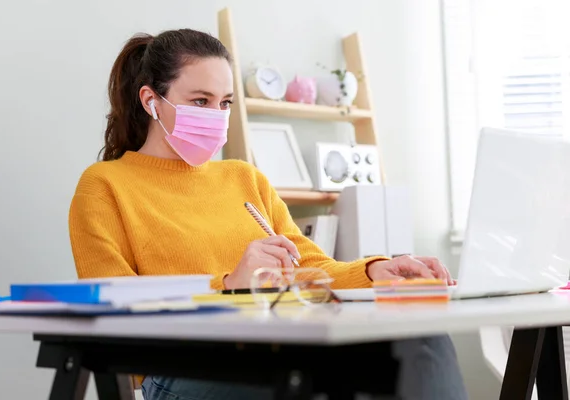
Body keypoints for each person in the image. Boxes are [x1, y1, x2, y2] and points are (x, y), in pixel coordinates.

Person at [68, 29, 468, 400]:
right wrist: (228, 286)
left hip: (277, 346)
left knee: (425, 341)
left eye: (224, 103)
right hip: (181, 367)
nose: (216, 114)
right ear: (151, 101)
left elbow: (308, 265)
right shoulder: (104, 186)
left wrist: (374, 271)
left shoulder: (244, 178)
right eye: (200, 101)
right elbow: (114, 307)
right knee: (315, 381)